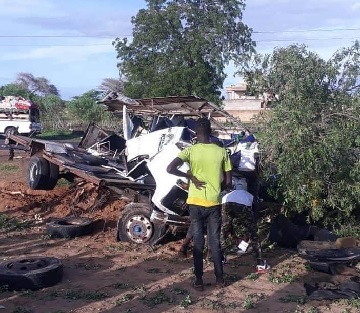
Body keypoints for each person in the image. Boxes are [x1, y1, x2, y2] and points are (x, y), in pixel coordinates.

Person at [167, 118, 232, 290]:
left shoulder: (189, 151)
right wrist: (218, 187)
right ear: (211, 132)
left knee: (198, 242)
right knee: (215, 241)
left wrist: (190, 177)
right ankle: (219, 280)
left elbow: (170, 168)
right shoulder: (221, 152)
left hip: (195, 203)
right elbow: (229, 182)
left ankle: (199, 281)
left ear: (196, 133)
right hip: (214, 202)